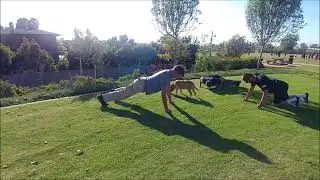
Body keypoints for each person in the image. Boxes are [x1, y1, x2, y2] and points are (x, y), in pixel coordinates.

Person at [97, 65, 185, 113]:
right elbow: (163, 94)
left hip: (141, 83)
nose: (177, 78)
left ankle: (114, 91)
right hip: (141, 85)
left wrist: (171, 100)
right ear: (176, 72)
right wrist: (166, 108)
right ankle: (103, 98)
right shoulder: (166, 76)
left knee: (125, 90)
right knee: (123, 95)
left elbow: (168, 90)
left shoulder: (168, 73)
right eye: (178, 76)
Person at [242, 73, 309, 108]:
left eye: (248, 81)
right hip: (278, 87)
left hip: (280, 87)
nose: (248, 83)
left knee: (283, 102)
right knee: (276, 104)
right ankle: (304, 95)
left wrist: (260, 104)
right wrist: (246, 98)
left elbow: (265, 93)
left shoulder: (260, 80)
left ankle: (296, 99)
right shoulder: (255, 78)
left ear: (250, 77)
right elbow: (251, 89)